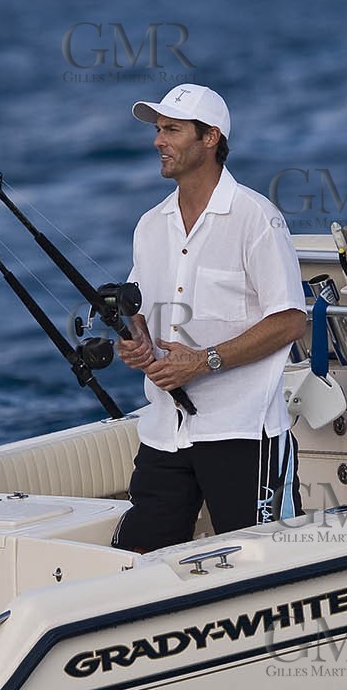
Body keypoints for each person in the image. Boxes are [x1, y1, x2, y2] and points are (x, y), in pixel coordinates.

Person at [114, 84, 307, 554]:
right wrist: (136, 339)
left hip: (245, 434)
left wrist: (203, 362)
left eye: (172, 130)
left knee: (272, 565)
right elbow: (139, 308)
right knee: (138, 562)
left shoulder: (256, 217)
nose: (159, 141)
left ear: (210, 138)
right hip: (166, 431)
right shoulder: (149, 224)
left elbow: (290, 320)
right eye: (159, 130)